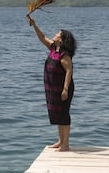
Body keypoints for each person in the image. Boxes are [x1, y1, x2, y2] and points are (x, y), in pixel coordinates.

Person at [27, 16, 77, 152]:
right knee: (57, 114)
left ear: (61, 39)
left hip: (63, 88)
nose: (54, 35)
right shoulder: (53, 48)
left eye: (57, 34)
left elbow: (69, 72)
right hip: (52, 88)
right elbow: (42, 37)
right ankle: (61, 141)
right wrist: (34, 25)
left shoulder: (64, 55)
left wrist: (65, 89)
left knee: (64, 114)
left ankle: (66, 144)